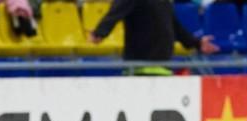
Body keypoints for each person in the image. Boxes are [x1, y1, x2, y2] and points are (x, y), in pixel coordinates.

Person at [88, 0, 219, 75]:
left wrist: (196, 43)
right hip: (140, 68)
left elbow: (173, 25)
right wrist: (101, 31)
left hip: (163, 66)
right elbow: (117, 9)